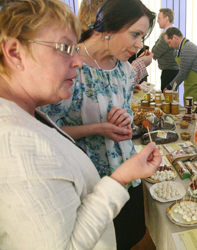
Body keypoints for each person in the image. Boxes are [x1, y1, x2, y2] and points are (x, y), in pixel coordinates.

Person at [0, 0, 161, 249]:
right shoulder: (18, 142)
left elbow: (127, 109)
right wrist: (98, 129)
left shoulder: (125, 70)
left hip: (123, 170)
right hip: (100, 184)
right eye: (64, 47)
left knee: (129, 234)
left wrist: (125, 119)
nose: (75, 61)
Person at [78, 0, 154, 88]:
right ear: (110, 25)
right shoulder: (69, 63)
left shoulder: (124, 68)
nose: (140, 45)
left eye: (142, 37)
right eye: (135, 34)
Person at [164, 27, 197, 103]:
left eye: (169, 42)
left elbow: (182, 73)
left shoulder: (187, 48)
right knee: (188, 110)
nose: (170, 46)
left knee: (193, 112)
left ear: (175, 37)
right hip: (192, 84)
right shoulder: (184, 48)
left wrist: (169, 87)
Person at [151, 8, 179, 90]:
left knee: (167, 99)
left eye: (159, 18)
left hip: (169, 72)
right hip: (173, 71)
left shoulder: (167, 34)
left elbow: (154, 52)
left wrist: (159, 39)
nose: (157, 21)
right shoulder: (174, 32)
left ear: (166, 19)